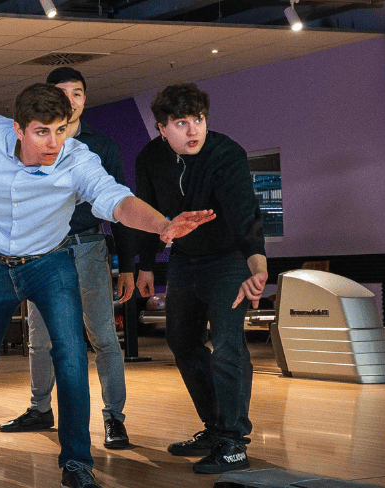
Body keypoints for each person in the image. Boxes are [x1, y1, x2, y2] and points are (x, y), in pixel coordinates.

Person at [0, 83, 215, 488]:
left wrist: (162, 225)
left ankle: (75, 462)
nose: (54, 142)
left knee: (71, 361)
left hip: (50, 263)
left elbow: (116, 199)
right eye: (42, 132)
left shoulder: (77, 161)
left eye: (61, 130)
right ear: (18, 130)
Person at [134, 83, 267, 475]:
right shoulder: (150, 158)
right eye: (181, 123)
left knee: (227, 345)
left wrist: (257, 266)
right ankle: (214, 427)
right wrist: (146, 265)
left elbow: (247, 215)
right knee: (182, 341)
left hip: (228, 260)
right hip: (183, 261)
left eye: (199, 120)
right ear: (162, 128)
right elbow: (146, 211)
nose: (193, 131)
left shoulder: (226, 154)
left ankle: (233, 440)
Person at [0, 67, 136, 451]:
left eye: (77, 93)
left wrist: (127, 265)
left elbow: (120, 205)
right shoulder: (30, 144)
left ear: (84, 99)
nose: (71, 100)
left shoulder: (102, 146)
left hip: (88, 247)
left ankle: (114, 419)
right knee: (39, 339)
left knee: (103, 337)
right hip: (42, 252)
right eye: (62, 93)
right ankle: (40, 408)